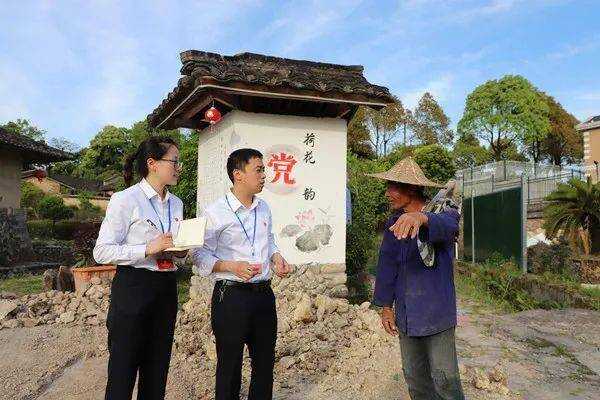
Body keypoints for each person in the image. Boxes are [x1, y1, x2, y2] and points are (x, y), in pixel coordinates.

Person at [192, 148, 291, 400]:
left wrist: (276, 257)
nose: (264, 175)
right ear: (238, 174)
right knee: (230, 366)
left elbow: (269, 242)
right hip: (231, 297)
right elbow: (199, 256)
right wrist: (231, 266)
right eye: (258, 170)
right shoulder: (215, 212)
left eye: (263, 170)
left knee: (264, 365)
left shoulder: (264, 208)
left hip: (264, 296)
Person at [93, 136, 187, 400]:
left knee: (157, 369)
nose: (179, 167)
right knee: (123, 369)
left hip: (166, 289)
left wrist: (179, 250)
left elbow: (172, 245)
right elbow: (102, 251)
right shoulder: (126, 199)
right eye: (174, 161)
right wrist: (146, 249)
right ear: (152, 164)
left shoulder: (177, 203)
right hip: (133, 288)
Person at [367, 156, 465, 400]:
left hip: (437, 314)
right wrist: (386, 306)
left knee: (445, 379)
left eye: (393, 187)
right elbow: (387, 266)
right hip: (407, 316)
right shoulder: (394, 223)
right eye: (387, 187)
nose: (388, 193)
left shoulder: (443, 212)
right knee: (415, 378)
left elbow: (450, 226)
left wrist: (422, 218)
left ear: (411, 189)